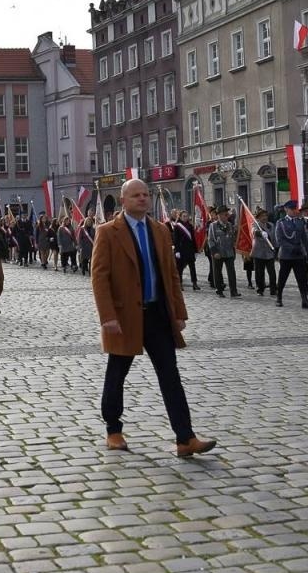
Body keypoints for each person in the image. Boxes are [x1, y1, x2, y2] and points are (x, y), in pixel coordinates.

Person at [91, 179, 216, 458]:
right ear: (123, 200)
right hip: (125, 318)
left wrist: (179, 313)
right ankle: (113, 430)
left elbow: (171, 275)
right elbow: (99, 277)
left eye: (146, 194)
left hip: (158, 315)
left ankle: (185, 438)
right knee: (117, 375)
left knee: (170, 376)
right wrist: (107, 316)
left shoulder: (160, 230)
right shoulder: (108, 232)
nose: (143, 199)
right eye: (136, 195)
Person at [272, 201, 308, 309]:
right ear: (286, 210)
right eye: (292, 209)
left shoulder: (300, 222)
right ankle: (279, 297)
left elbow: (304, 238)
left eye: (295, 209)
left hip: (299, 254)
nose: (294, 211)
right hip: (286, 255)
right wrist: (292, 248)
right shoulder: (281, 223)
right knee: (282, 278)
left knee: (302, 279)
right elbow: (279, 239)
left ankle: (304, 300)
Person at [206, 205, 239, 297]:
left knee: (232, 272)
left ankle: (233, 291)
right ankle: (219, 290)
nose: (227, 215)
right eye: (225, 214)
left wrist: (236, 232)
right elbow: (210, 240)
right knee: (217, 272)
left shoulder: (229, 225)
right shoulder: (213, 225)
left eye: (227, 214)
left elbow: (233, 238)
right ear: (219, 215)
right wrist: (214, 252)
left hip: (229, 252)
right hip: (218, 252)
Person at [169, 210, 200, 291]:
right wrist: (177, 251)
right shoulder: (177, 226)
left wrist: (196, 250)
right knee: (180, 268)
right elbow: (175, 240)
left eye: (187, 216)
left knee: (192, 267)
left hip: (190, 250)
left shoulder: (190, 226)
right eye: (184, 216)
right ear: (180, 217)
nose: (185, 218)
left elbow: (193, 239)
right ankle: (180, 283)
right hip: (181, 250)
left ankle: (194, 283)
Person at [251, 208, 277, 295]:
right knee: (259, 273)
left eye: (266, 215)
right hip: (259, 253)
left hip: (269, 253)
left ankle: (273, 289)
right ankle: (260, 289)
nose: (265, 217)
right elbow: (253, 231)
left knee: (272, 272)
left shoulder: (271, 225)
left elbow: (274, 238)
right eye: (262, 216)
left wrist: (276, 248)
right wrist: (260, 233)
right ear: (258, 218)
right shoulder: (255, 224)